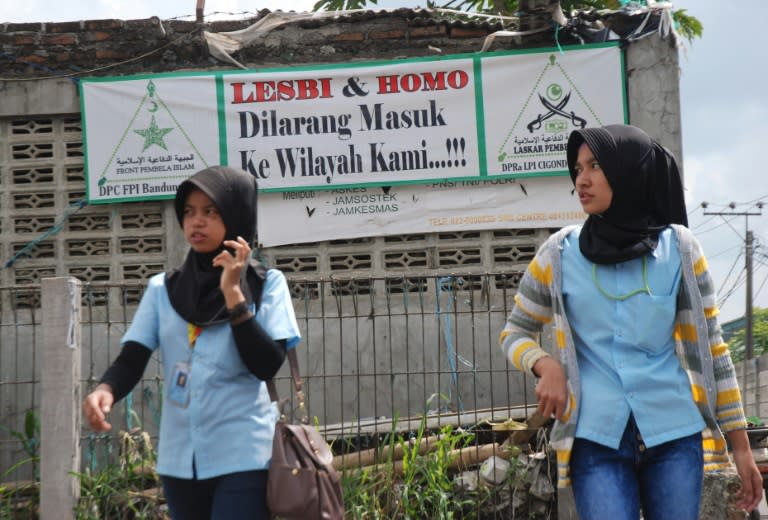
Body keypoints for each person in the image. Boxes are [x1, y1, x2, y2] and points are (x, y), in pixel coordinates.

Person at [498, 124, 763, 519]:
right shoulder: (558, 255)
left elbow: (712, 350)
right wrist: (544, 363)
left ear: (627, 172)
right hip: (595, 438)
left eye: (594, 166)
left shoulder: (681, 251)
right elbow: (515, 332)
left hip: (673, 433)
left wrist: (740, 447)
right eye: (577, 169)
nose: (581, 180)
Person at [82, 165, 300, 520]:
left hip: (244, 453)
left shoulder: (267, 285)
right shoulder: (162, 289)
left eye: (210, 211)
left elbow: (266, 364)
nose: (196, 222)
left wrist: (233, 294)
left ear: (237, 214)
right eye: (189, 211)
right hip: (180, 458)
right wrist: (105, 389)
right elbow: (132, 359)